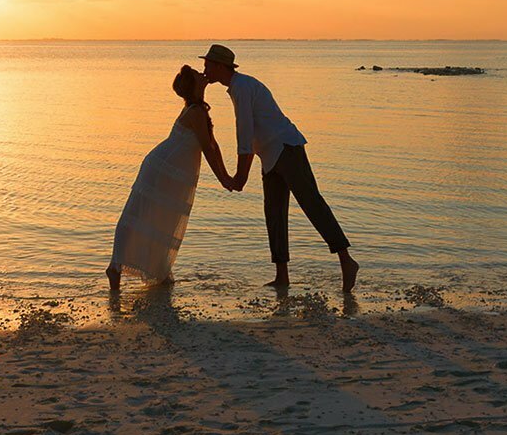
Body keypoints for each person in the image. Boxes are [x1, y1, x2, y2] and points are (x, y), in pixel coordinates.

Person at [198, 44, 359, 291]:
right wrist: (241, 174)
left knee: (312, 204)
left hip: (286, 148)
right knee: (274, 213)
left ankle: (346, 262)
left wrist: (239, 176)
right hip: (270, 154)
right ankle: (282, 275)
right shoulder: (237, 88)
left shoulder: (242, 87)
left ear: (220, 66)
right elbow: (250, 137)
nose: (204, 69)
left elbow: (245, 135)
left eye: (208, 64)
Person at [106, 67, 233, 289]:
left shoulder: (197, 109)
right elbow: (207, 149)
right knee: (138, 216)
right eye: (197, 74)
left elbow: (213, 145)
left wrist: (226, 177)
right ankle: (115, 267)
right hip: (164, 169)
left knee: (162, 218)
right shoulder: (196, 112)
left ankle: (159, 270)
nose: (203, 74)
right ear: (194, 84)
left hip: (170, 169)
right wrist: (225, 179)